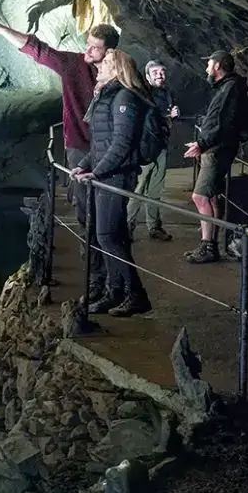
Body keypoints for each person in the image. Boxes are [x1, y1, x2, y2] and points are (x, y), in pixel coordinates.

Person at [0, 13, 117, 223]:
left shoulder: (119, 74)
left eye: (95, 47)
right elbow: (38, 50)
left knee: (109, 200)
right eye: (88, 44)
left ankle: (106, 241)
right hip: (80, 145)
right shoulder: (74, 65)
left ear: (109, 51)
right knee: (84, 199)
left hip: (108, 146)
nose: (87, 50)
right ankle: (89, 248)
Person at [71, 50, 162, 317]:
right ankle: (116, 293)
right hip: (106, 173)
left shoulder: (124, 98)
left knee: (108, 236)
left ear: (118, 69)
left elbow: (121, 143)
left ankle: (135, 295)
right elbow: (102, 142)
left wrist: (96, 173)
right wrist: (85, 165)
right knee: (112, 236)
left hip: (116, 175)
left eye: (107, 63)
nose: (100, 66)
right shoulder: (109, 95)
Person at [181, 51, 248, 264]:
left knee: (200, 196)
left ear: (218, 66)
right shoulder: (229, 87)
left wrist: (202, 143)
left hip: (216, 149)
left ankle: (208, 246)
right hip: (217, 147)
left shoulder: (229, 89)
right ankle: (210, 244)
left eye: (209, 64)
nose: (206, 69)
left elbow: (222, 122)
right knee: (211, 196)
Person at [131, 61, 181, 240]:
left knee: (155, 190)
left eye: (162, 71)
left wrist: (172, 117)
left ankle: (154, 227)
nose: (160, 75)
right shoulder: (142, 94)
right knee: (138, 189)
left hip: (160, 147)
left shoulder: (167, 94)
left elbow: (163, 120)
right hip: (144, 149)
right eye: (155, 72)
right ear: (147, 76)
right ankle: (127, 227)